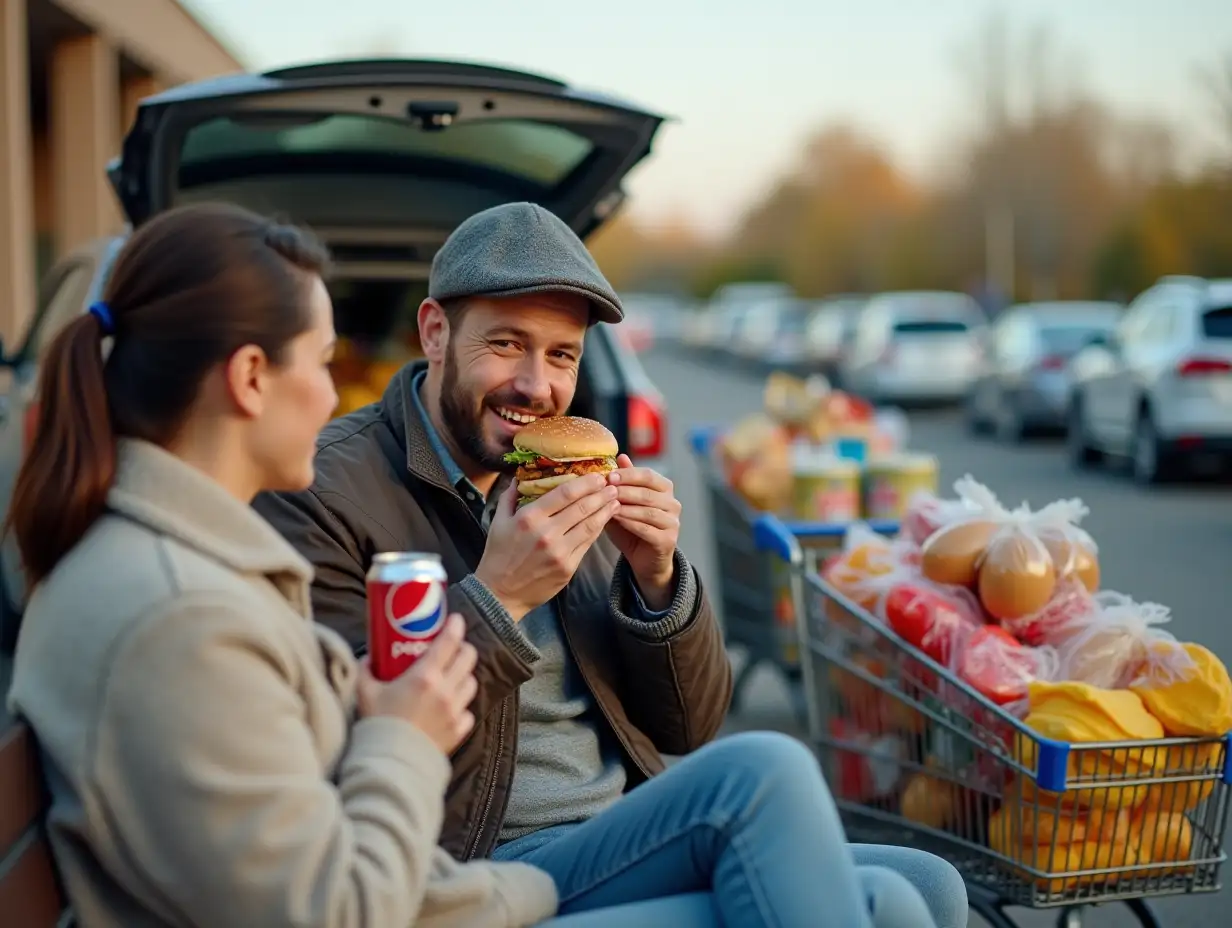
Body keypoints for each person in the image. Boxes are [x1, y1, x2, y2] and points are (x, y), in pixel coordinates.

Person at [255, 201, 970, 928]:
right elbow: (344, 752)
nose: (536, 385)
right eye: (506, 344)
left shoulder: (566, 473)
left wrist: (658, 582)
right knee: (766, 775)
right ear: (435, 332)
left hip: (616, 838)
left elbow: (689, 729)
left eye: (562, 355)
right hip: (466, 867)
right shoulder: (320, 491)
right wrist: (498, 598)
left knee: (926, 889)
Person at [5, 203, 558, 928]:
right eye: (324, 362)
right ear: (251, 377)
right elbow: (337, 910)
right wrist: (405, 736)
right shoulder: (183, 618)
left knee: (750, 783)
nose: (335, 396)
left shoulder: (172, 562)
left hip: (433, 892)